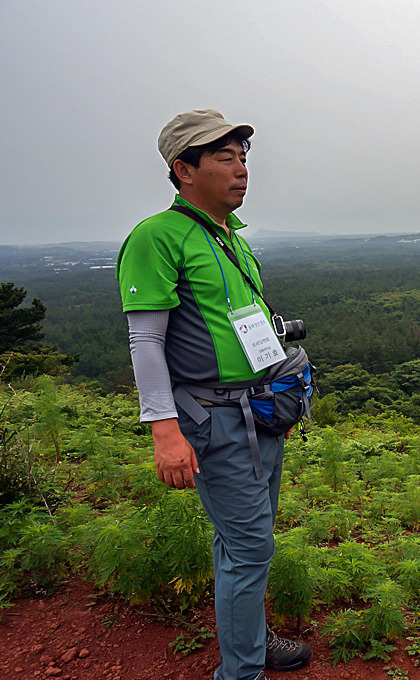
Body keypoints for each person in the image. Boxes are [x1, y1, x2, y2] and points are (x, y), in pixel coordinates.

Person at [116, 109, 312, 680]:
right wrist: (164, 429)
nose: (241, 169)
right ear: (184, 169)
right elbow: (146, 339)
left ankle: (248, 637)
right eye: (225, 158)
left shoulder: (231, 238)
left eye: (243, 157)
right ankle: (242, 670)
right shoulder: (157, 236)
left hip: (260, 411)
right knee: (250, 548)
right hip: (215, 419)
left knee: (246, 542)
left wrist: (280, 398)